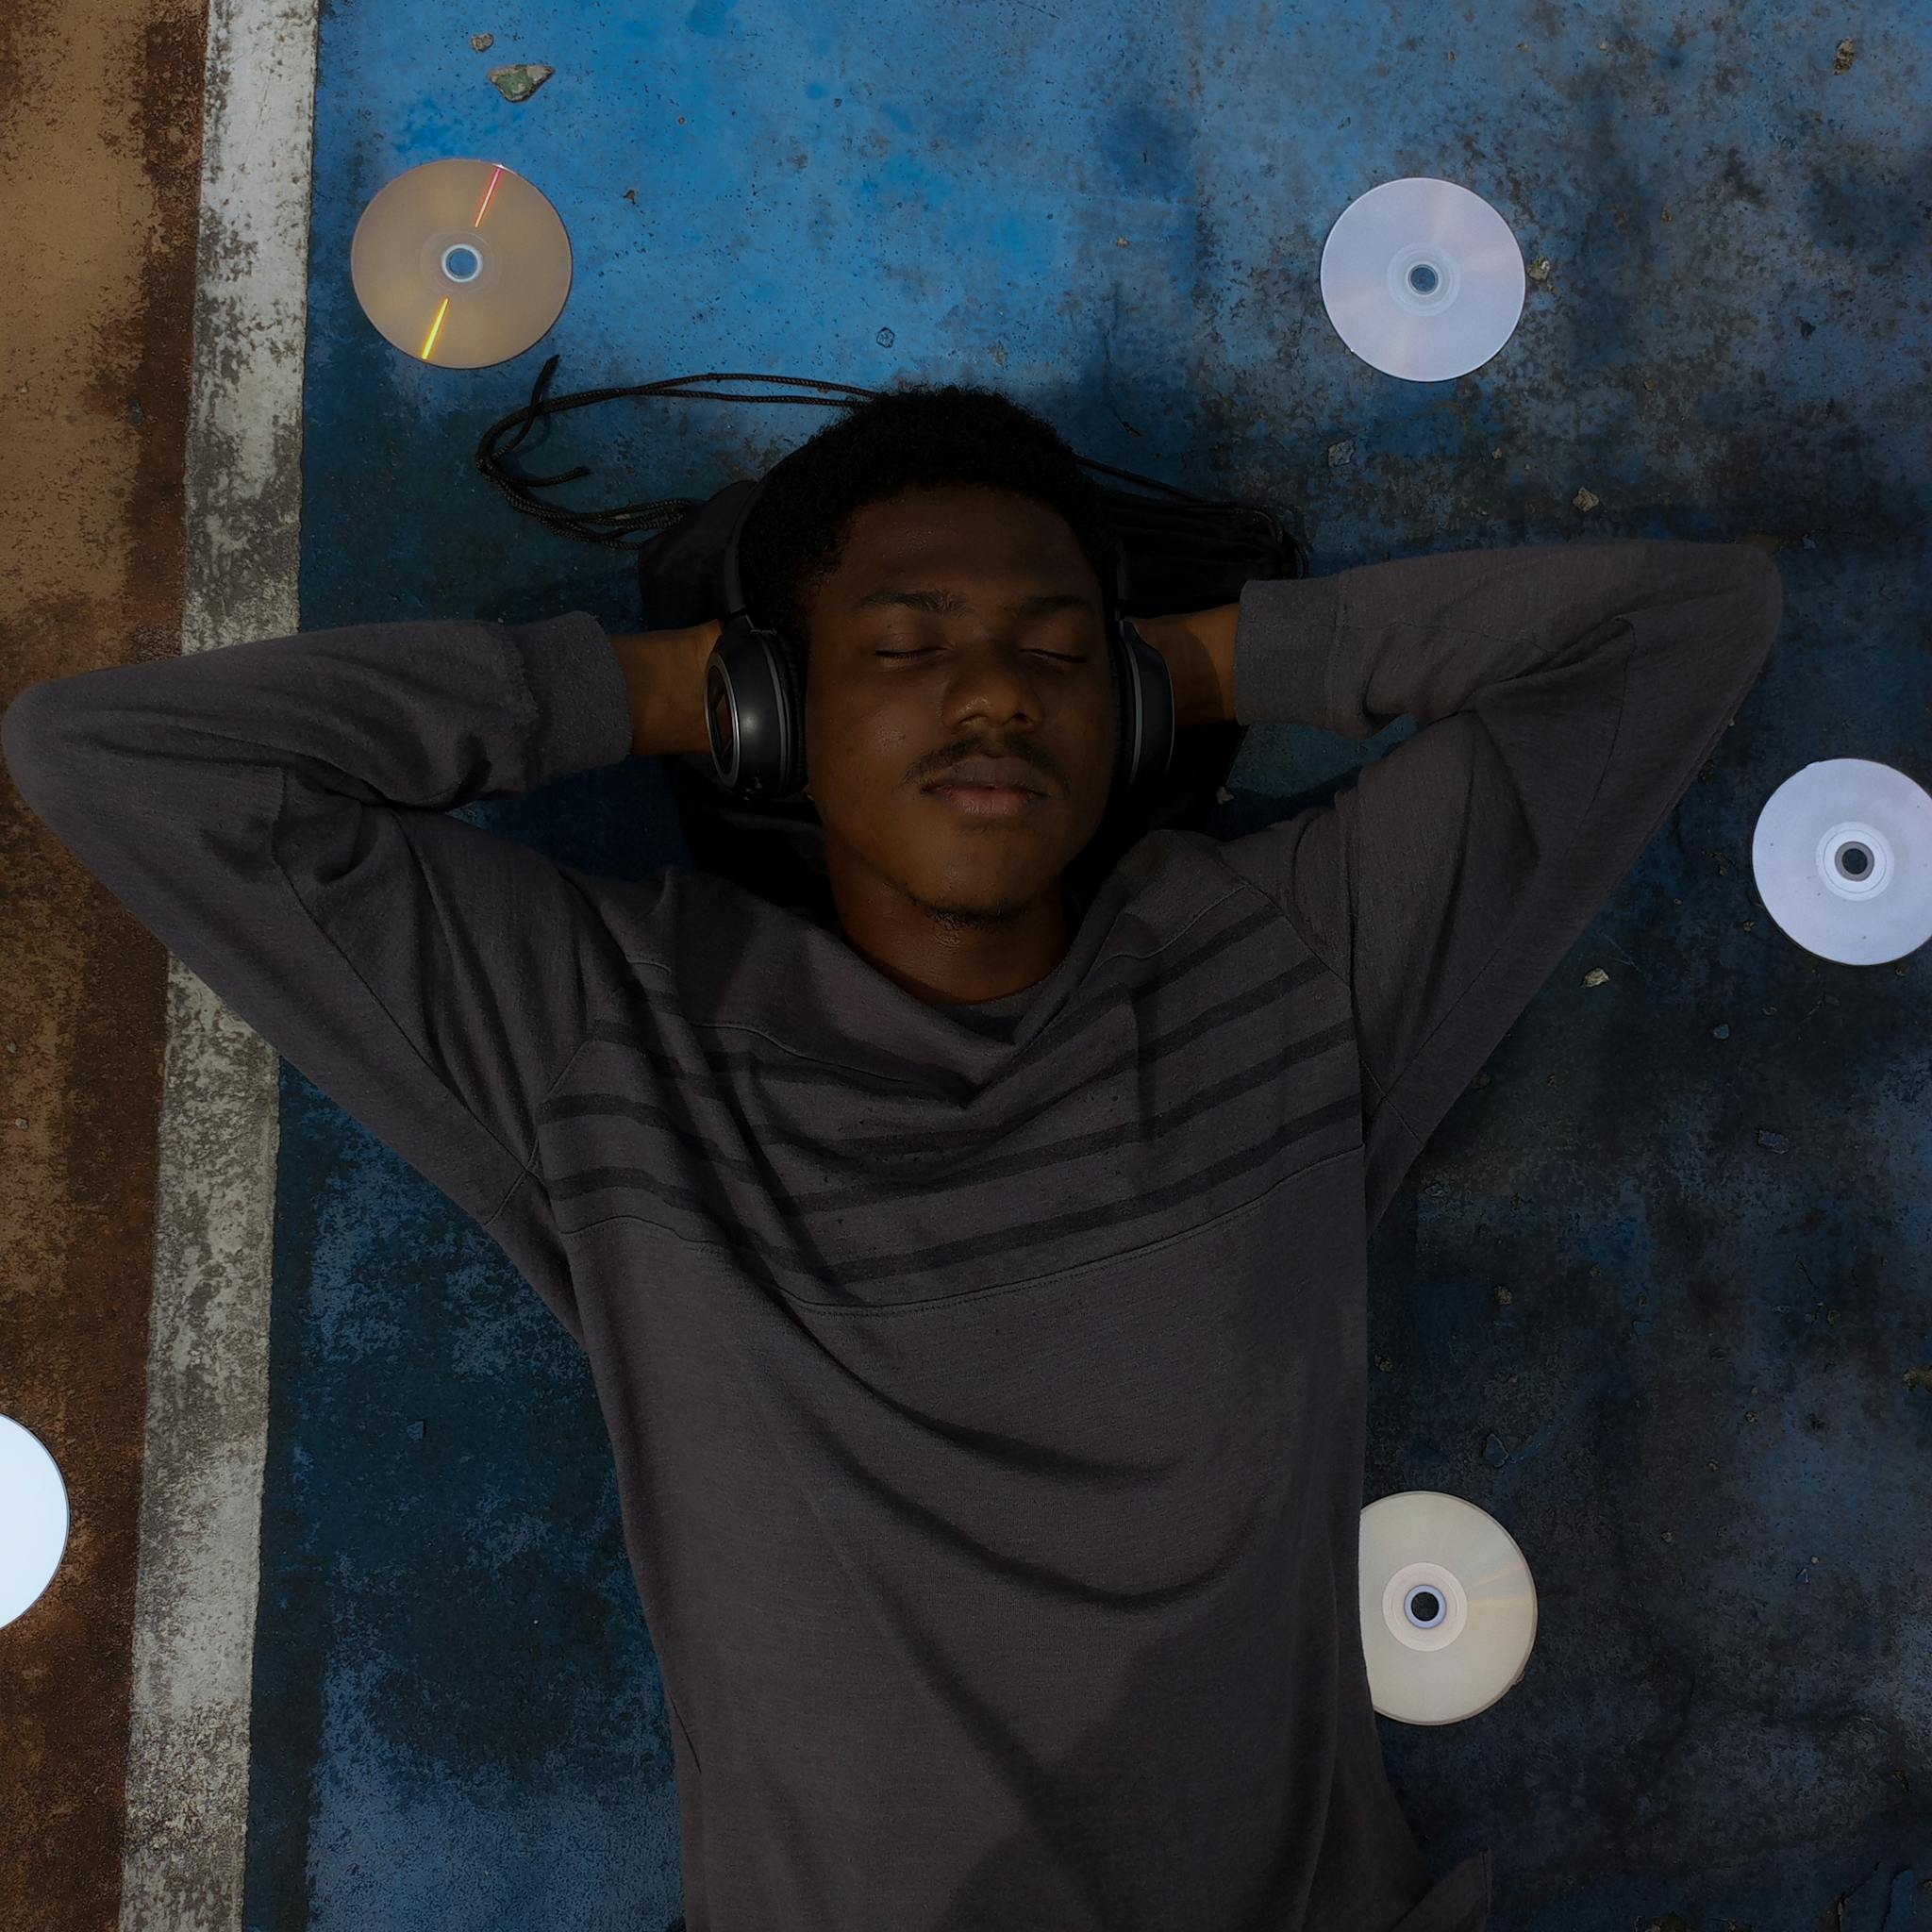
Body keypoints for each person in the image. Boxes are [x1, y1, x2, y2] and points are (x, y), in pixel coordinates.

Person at [0, 381, 1783, 1932]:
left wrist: (1206, 660)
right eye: (906, 649)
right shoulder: (607, 1036)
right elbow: (120, 758)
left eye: (1053, 653)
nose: (991, 698)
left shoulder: (1300, 964)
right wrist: (643, 691)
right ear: (775, 711)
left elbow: (1680, 628)